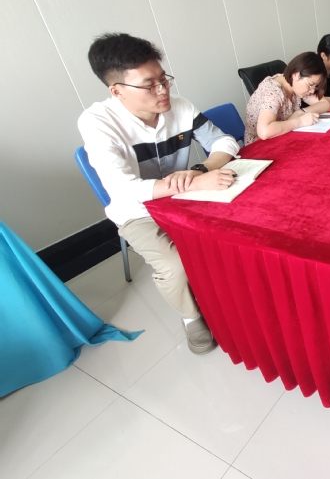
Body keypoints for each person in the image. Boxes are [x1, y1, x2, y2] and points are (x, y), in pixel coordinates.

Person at [78, 33, 240, 355]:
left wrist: (201, 170)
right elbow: (123, 188)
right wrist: (193, 183)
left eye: (164, 79)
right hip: (137, 210)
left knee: (240, 231)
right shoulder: (98, 123)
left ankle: (233, 295)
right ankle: (191, 316)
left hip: (186, 196)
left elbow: (224, 142)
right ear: (117, 91)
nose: (163, 90)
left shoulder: (180, 107)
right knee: (174, 265)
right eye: (149, 85)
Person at [244, 52, 330, 144]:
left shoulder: (293, 86)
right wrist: (299, 121)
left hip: (282, 137)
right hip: (260, 145)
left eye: (315, 86)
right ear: (296, 75)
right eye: (311, 84)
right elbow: (264, 132)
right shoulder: (272, 91)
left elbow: (325, 104)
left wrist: (300, 113)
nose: (312, 91)